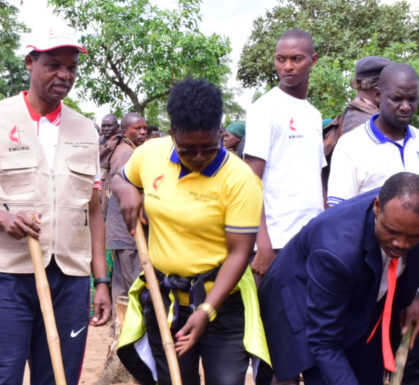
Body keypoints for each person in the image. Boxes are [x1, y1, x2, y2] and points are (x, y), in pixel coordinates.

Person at [0, 26, 111, 384]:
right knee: (1, 377)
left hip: (70, 280)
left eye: (71, 68)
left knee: (59, 376)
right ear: (30, 63)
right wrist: (1, 218)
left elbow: (94, 210)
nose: (64, 75)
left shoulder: (86, 130)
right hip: (8, 277)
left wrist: (100, 281)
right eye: (54, 64)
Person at [112, 79, 267, 385]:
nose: (198, 158)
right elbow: (120, 177)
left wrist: (207, 310)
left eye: (208, 149)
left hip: (222, 307)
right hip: (164, 302)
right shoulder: (151, 154)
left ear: (220, 134)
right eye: (187, 150)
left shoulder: (239, 180)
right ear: (172, 136)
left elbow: (240, 252)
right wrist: (127, 190)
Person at [259, 172, 419, 384]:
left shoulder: (404, 220)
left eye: (413, 237)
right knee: (319, 372)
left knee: (366, 369)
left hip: (362, 294)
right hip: (298, 296)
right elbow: (324, 341)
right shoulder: (337, 252)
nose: (401, 244)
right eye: (392, 232)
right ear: (377, 207)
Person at [244, 29, 325, 279]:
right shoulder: (264, 109)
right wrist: (262, 242)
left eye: (296, 59)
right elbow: (249, 181)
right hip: (275, 243)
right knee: (272, 316)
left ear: (313, 60)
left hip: (310, 239)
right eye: (281, 59)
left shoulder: (313, 114)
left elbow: (316, 178)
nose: (287, 66)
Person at [327, 63, 419, 207]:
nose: (406, 106)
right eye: (397, 99)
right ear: (378, 95)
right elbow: (340, 213)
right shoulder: (350, 146)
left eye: (412, 99)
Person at [105, 112, 146, 305]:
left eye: (144, 128)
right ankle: (130, 331)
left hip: (120, 230)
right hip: (127, 229)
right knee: (134, 285)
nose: (143, 132)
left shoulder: (125, 149)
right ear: (124, 131)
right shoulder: (127, 153)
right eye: (137, 129)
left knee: (122, 285)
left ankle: (119, 331)